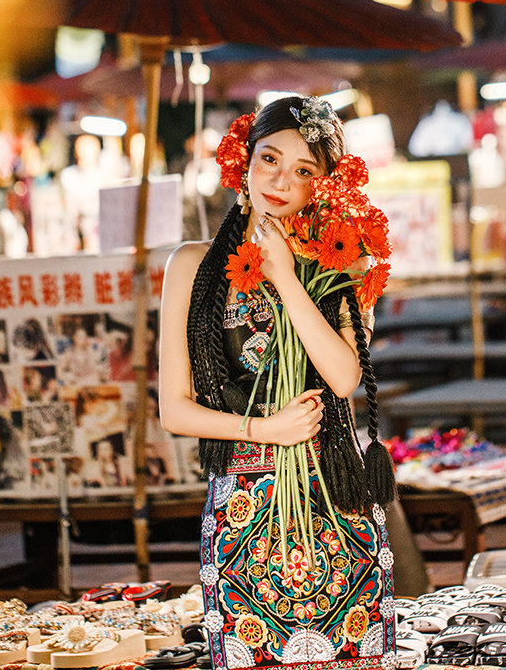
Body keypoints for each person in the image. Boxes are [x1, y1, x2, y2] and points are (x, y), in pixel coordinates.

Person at [159, 96, 396, 669]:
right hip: (242, 510)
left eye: (303, 170)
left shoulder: (343, 261)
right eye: (269, 159)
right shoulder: (191, 266)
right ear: (244, 161)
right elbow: (174, 409)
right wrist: (265, 428)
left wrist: (286, 277)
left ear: (322, 186)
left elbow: (343, 377)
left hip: (335, 502)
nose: (281, 180)